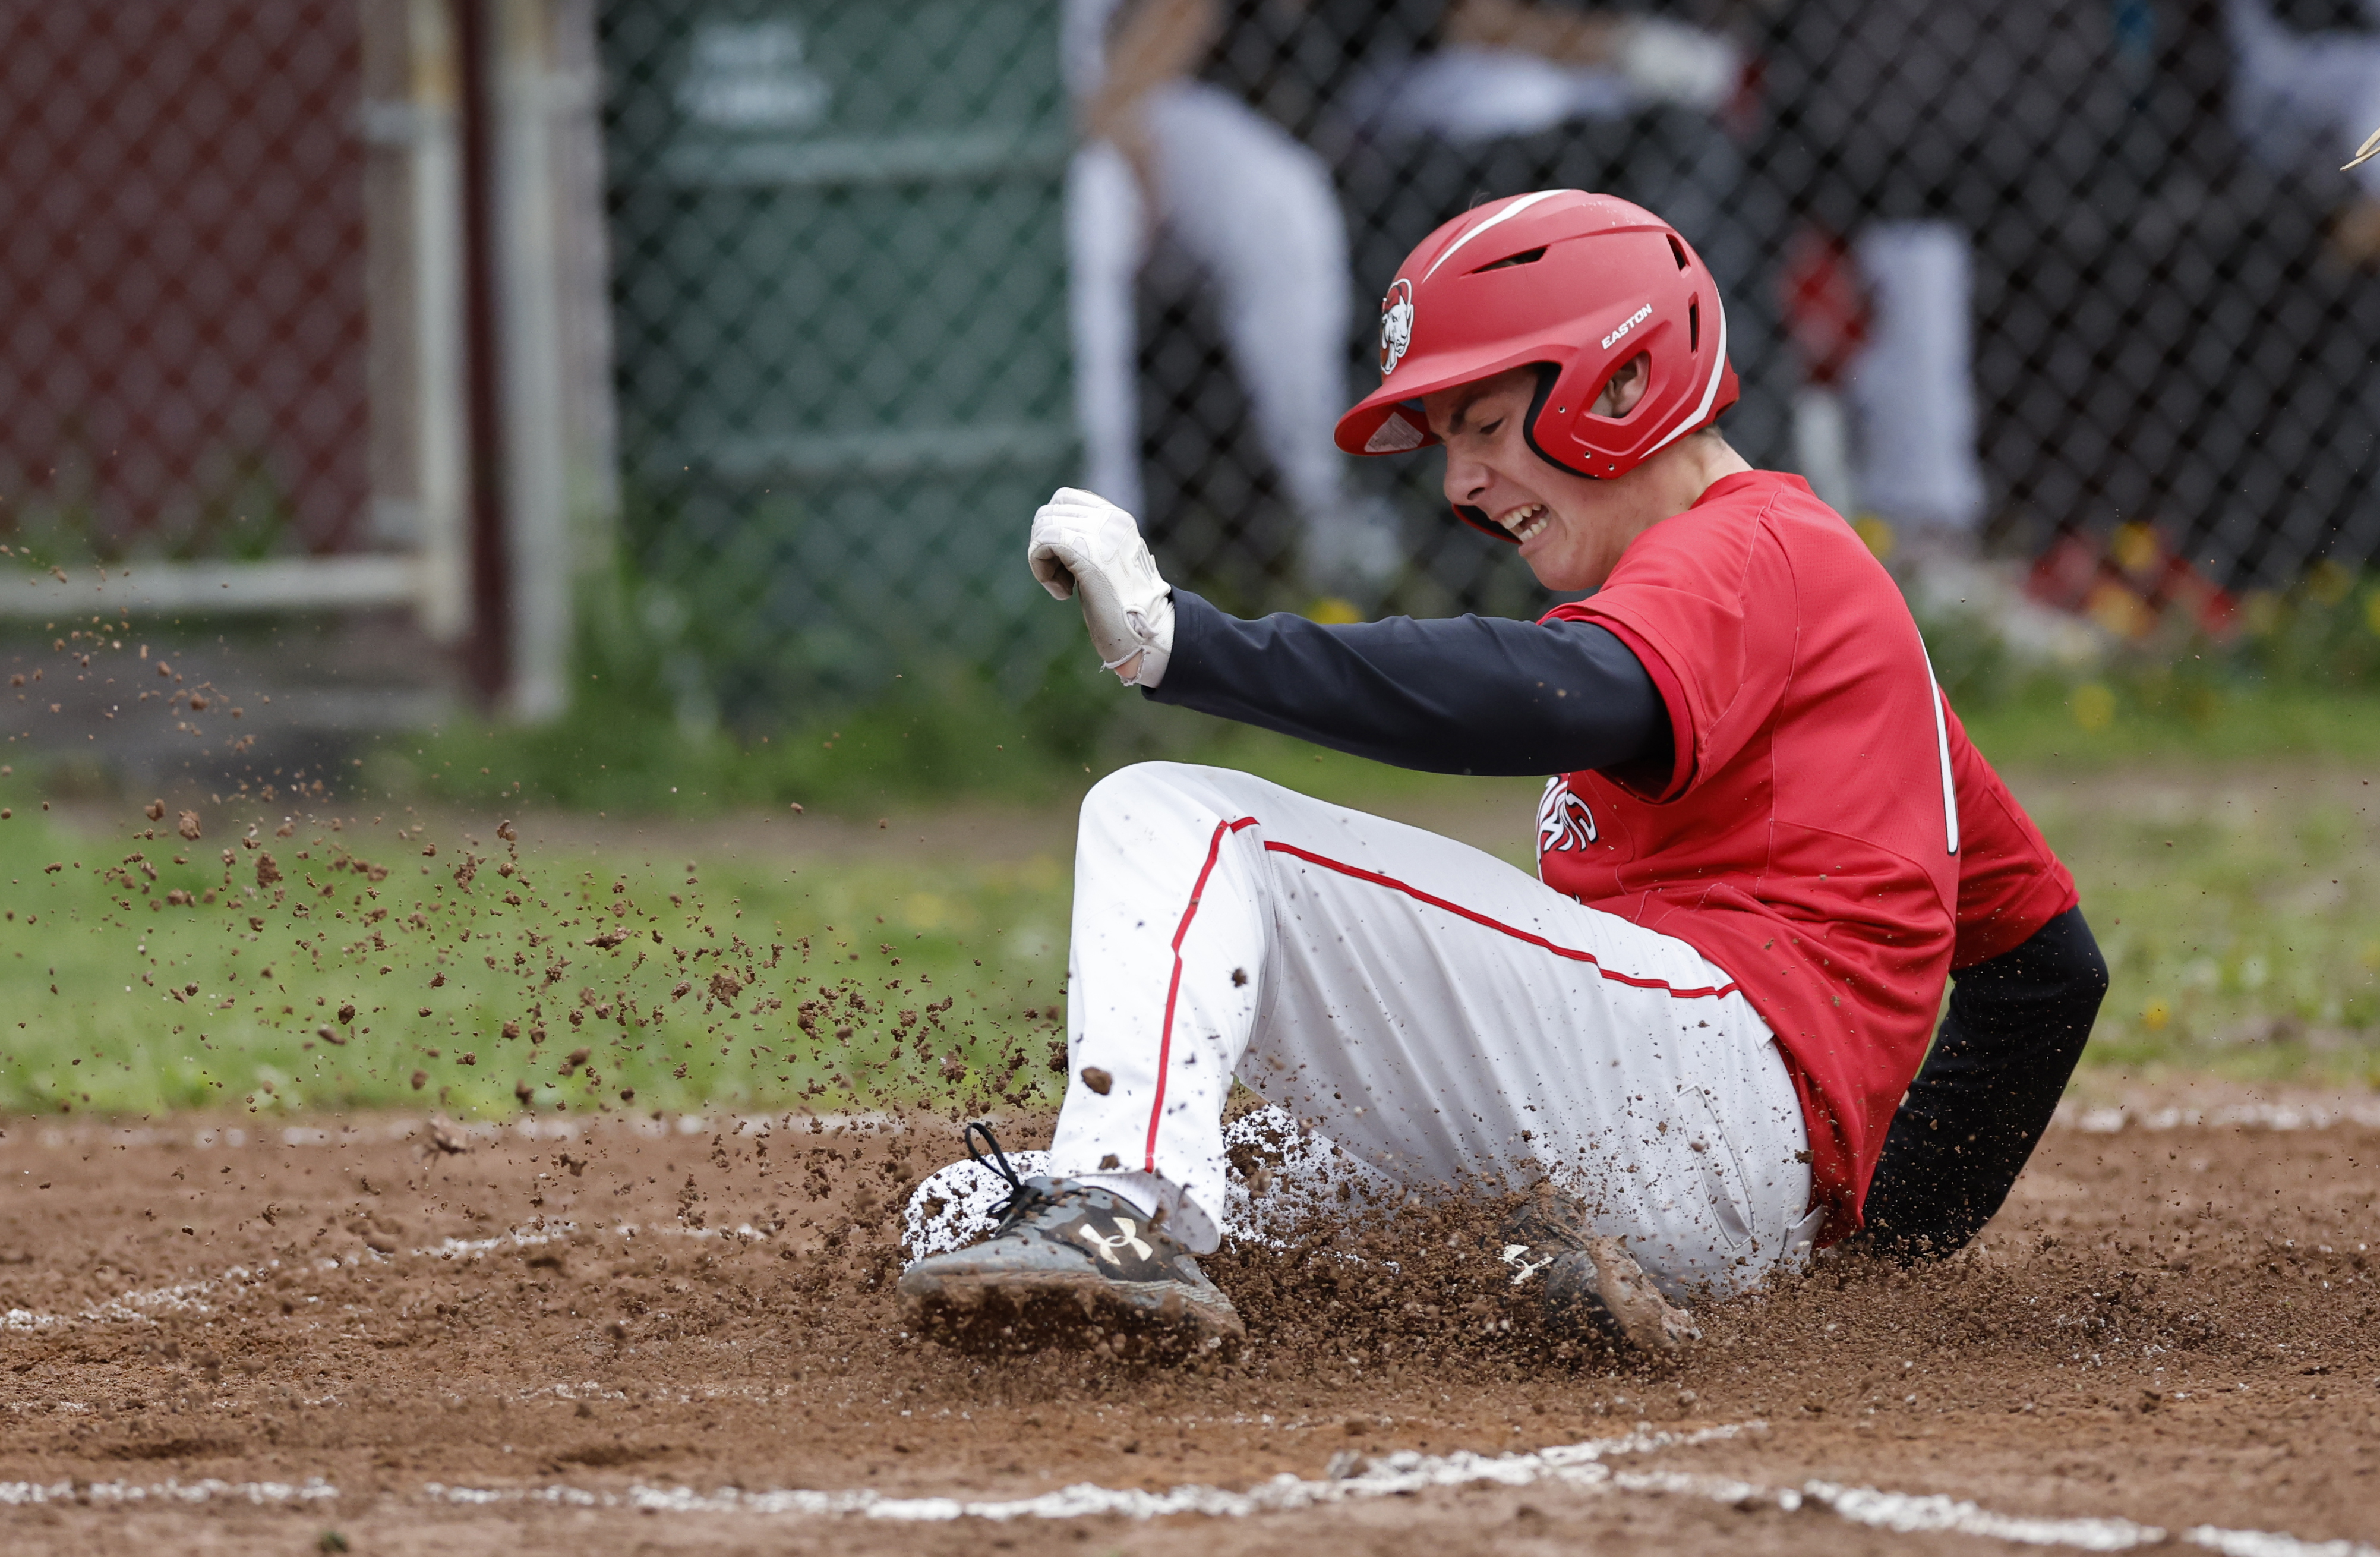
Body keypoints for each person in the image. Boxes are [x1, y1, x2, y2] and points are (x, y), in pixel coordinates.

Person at [898, 191, 2106, 1360]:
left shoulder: (1751, 544)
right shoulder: (1811, 612)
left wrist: (1193, 648)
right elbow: (2044, 971)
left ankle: (1124, 1205)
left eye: (1479, 425)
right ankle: (1526, 1270)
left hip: (1698, 1083)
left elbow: (1566, 690)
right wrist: (1863, 1256)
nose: (1457, 482)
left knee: (1167, 813)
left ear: (1623, 384)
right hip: (1675, 1160)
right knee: (967, 1206)